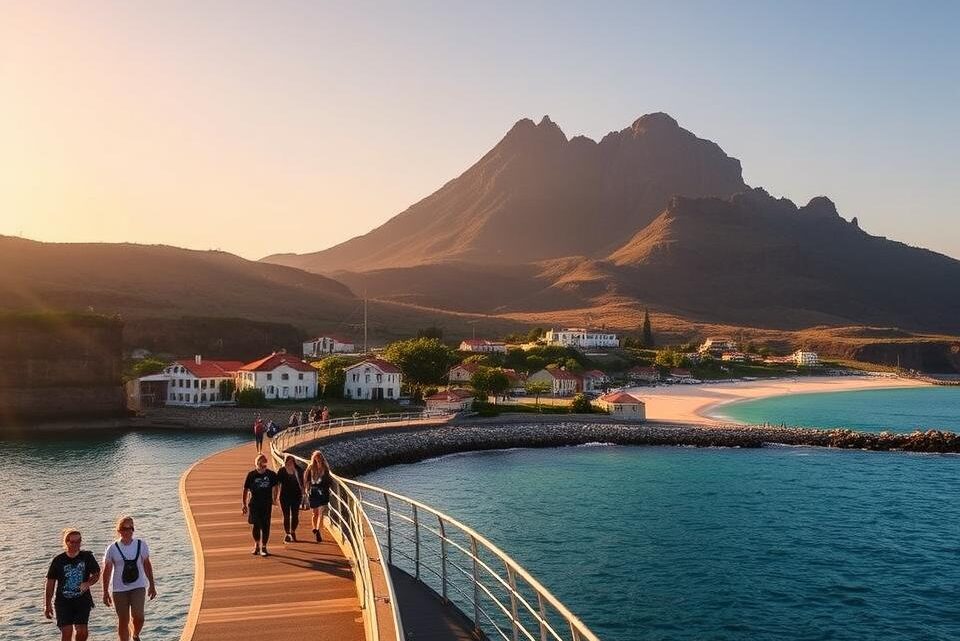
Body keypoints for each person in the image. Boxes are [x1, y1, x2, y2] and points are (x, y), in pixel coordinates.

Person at [102, 516, 156, 641]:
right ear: (119, 530)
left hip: (138, 586)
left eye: (130, 528)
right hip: (119, 589)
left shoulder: (140, 545)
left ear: (133, 529)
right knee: (123, 619)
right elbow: (107, 571)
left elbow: (147, 564)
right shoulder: (112, 548)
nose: (127, 531)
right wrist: (105, 592)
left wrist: (152, 585)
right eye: (124, 528)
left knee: (139, 616)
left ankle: (136, 634)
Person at [45, 528, 101, 641]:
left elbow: (96, 574)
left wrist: (88, 583)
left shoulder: (87, 557)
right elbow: (50, 582)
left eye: (78, 541)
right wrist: (47, 604)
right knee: (67, 631)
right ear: (66, 542)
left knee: (82, 632)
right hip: (63, 602)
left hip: (82, 600)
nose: (76, 544)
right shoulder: (58, 560)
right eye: (73, 542)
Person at [242, 453, 278, 556]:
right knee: (256, 525)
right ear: (257, 463)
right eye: (262, 463)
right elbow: (245, 489)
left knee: (266, 526)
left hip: (266, 504)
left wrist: (274, 498)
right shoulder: (251, 475)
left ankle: (264, 547)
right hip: (254, 504)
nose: (264, 465)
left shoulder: (271, 474)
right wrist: (244, 504)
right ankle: (257, 545)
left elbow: (276, 486)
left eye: (265, 463)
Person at [303, 450, 332, 543]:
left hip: (323, 492)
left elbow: (328, 480)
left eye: (319, 458)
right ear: (314, 459)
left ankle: (318, 530)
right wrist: (306, 489)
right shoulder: (311, 467)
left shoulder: (325, 468)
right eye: (316, 458)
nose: (318, 460)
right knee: (314, 514)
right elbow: (306, 478)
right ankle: (314, 528)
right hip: (314, 491)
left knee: (321, 513)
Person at [276, 454, 304, 542]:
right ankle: (287, 533)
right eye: (288, 461)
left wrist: (304, 491)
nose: (290, 463)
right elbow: (277, 484)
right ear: (285, 461)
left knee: (295, 515)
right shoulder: (281, 471)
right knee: (286, 516)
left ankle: (293, 531)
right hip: (284, 496)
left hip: (296, 496)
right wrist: (275, 496)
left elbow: (303, 483)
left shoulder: (298, 470)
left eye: (291, 461)